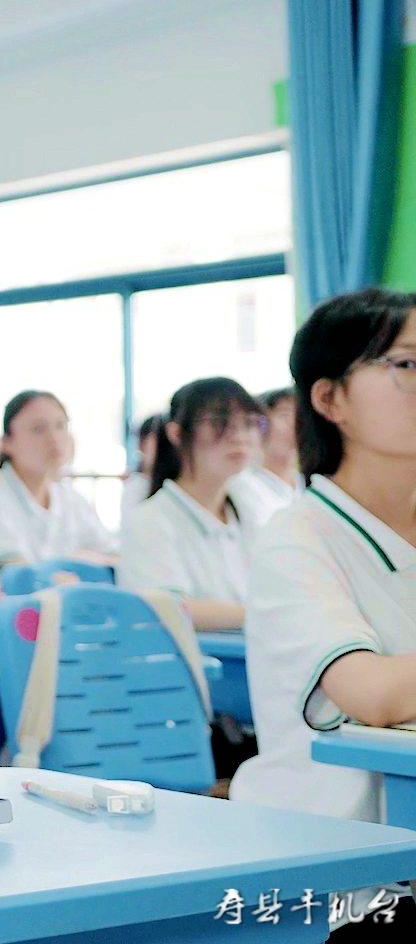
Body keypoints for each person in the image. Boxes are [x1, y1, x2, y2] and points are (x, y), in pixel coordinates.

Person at [233, 289, 416, 824]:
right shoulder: (297, 539)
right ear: (331, 400)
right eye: (407, 365)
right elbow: (370, 693)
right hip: (334, 846)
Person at [118, 378, 265, 630]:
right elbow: (168, 609)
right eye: (220, 423)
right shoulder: (150, 521)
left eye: (249, 423)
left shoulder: (250, 510)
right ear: (176, 433)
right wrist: (265, 616)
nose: (239, 436)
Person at [0, 390, 117, 568]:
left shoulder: (72, 500)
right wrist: (77, 561)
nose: (54, 438)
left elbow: (112, 556)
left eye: (61, 426)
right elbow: (15, 573)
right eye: (38, 429)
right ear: (7, 442)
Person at [228, 387, 301, 528]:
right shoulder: (241, 486)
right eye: (285, 415)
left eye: (300, 416)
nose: (295, 424)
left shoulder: (310, 485)